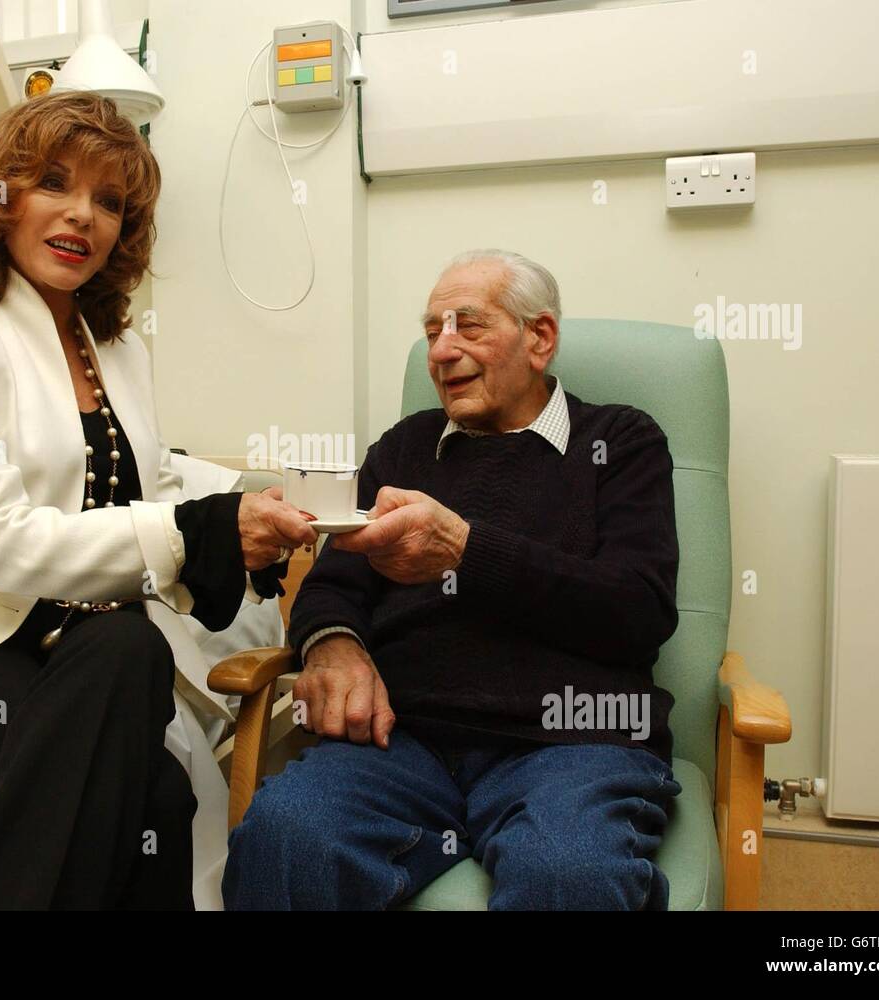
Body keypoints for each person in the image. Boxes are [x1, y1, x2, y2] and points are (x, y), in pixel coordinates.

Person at [0, 91, 317, 910]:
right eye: (53, 184)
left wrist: (248, 533)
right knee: (148, 750)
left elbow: (162, 494)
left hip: (80, 653)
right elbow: (2, 544)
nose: (83, 216)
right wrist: (200, 533)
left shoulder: (118, 347)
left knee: (147, 746)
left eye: (109, 201)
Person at [222, 249, 682, 910]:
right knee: (286, 835)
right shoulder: (404, 449)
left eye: (468, 326)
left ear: (540, 338)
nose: (441, 350)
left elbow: (638, 611)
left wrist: (465, 550)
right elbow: (332, 585)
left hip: (573, 741)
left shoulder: (620, 443)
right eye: (432, 329)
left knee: (569, 872)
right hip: (401, 739)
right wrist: (334, 645)